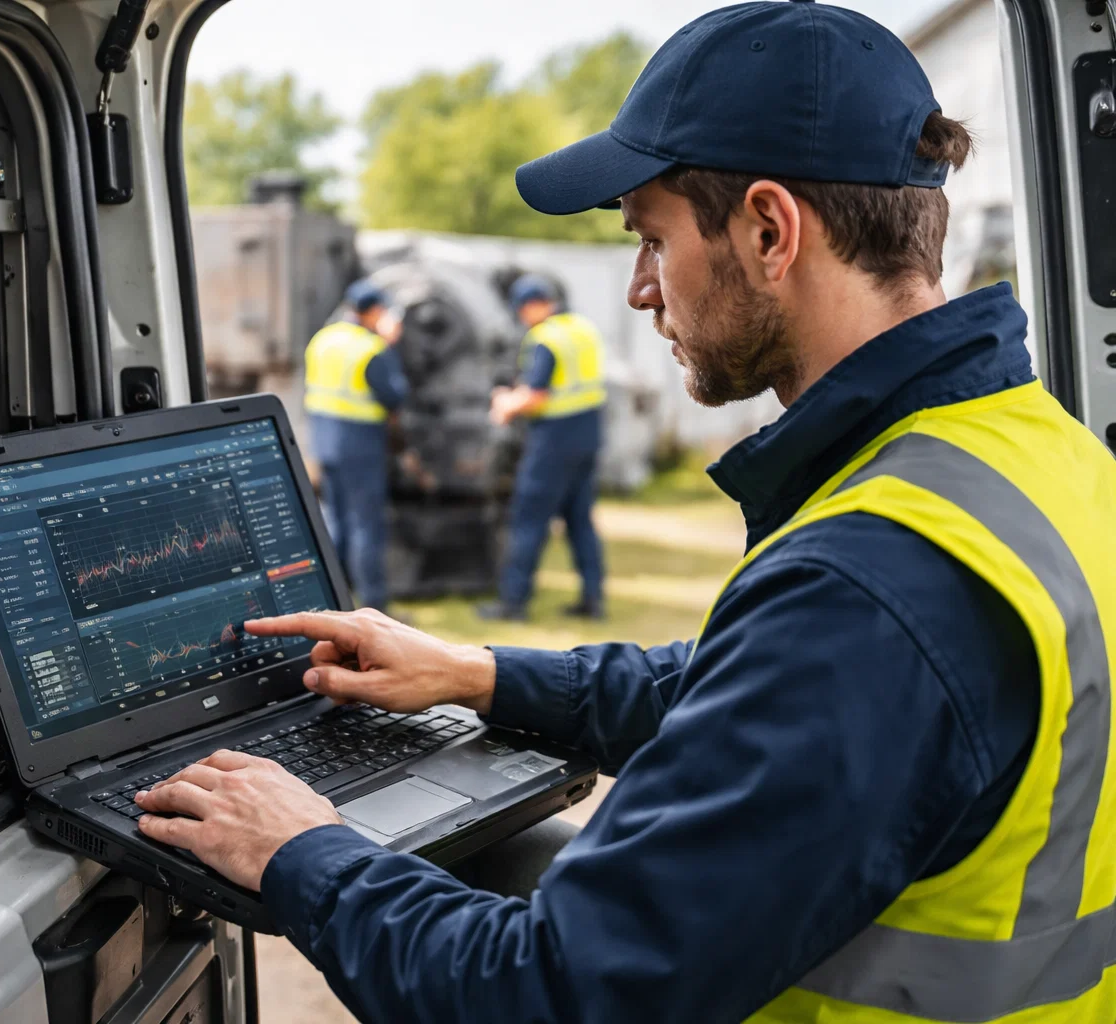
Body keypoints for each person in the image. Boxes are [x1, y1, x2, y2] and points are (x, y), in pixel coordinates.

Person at [131, 4, 1116, 1022]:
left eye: (651, 238)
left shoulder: (874, 588)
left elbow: (546, 994)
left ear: (770, 229)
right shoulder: (1035, 458)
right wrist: (482, 675)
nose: (642, 288)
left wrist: (304, 848)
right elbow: (750, 692)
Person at [481, 274, 608, 621]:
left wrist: (505, 404)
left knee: (528, 518)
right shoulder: (583, 328)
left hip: (554, 439)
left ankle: (513, 603)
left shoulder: (545, 338)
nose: (522, 318)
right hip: (589, 434)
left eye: (522, 310)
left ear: (533, 305)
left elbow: (536, 395)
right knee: (580, 520)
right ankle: (593, 600)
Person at [303, 279, 408, 612]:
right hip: (359, 446)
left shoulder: (323, 339)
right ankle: (375, 605)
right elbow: (394, 395)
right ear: (375, 312)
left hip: (325, 443)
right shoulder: (371, 348)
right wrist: (390, 344)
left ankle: (335, 599)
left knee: (336, 520)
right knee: (366, 524)